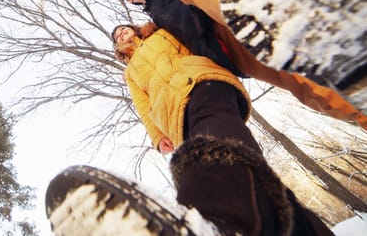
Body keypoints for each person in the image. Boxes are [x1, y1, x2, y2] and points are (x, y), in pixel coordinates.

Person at [121, 0, 367, 129]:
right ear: (132, 1)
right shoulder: (155, 30)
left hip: (220, 5)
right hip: (224, 50)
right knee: (301, 79)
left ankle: (258, 2)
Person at [111, 22, 334, 235]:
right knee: (231, 155)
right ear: (118, 47)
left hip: (201, 81)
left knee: (212, 145)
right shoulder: (130, 73)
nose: (121, 33)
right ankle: (299, 226)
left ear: (134, 29)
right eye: (117, 36)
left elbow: (192, 40)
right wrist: (157, 136)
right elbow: (142, 104)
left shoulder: (159, 34)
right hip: (173, 115)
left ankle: (203, 213)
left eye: (123, 29)